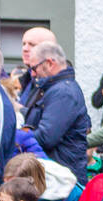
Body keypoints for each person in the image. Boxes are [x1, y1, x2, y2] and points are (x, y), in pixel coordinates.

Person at [21, 42, 90, 182]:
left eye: (34, 68)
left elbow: (47, 137)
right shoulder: (57, 88)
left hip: (62, 179)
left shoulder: (63, 92)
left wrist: (19, 135)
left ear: (50, 63)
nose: (33, 74)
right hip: (59, 174)